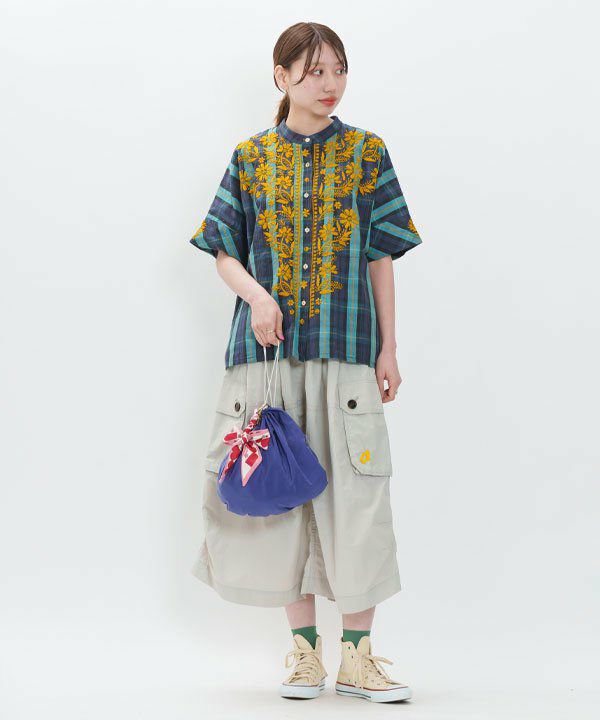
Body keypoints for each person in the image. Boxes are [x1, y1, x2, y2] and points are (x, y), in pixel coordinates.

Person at [188, 21, 422, 703]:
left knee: (358, 500)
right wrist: (258, 297)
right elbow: (222, 248)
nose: (330, 84)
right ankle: (303, 655)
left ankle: (357, 659)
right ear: (281, 75)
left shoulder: (367, 153)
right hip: (267, 356)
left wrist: (388, 346)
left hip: (347, 351)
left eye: (338, 69)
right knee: (280, 499)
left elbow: (381, 257)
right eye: (315, 70)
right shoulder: (251, 157)